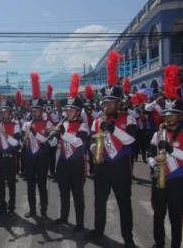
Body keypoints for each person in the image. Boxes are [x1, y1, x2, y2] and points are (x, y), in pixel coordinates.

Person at [87, 51, 137, 248]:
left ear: (119, 103)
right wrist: (93, 148)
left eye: (111, 102)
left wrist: (113, 128)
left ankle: (128, 237)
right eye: (106, 102)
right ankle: (98, 230)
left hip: (121, 168)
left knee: (124, 203)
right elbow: (92, 140)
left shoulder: (129, 118)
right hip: (102, 167)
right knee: (99, 201)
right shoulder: (97, 120)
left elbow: (131, 140)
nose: (108, 105)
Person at [147, 65, 183, 248]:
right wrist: (154, 163)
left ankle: (176, 245)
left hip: (177, 182)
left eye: (172, 115)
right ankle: (158, 243)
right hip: (159, 180)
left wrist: (170, 150)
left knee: (176, 217)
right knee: (158, 215)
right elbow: (149, 154)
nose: (168, 118)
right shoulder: (157, 133)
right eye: (166, 115)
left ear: (180, 116)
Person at [54, 73, 89, 233]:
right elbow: (55, 143)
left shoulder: (83, 125)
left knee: (77, 193)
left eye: (70, 109)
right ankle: (63, 216)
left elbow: (79, 143)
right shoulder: (63, 123)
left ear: (77, 111)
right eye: (66, 109)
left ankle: (80, 222)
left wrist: (63, 133)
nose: (67, 112)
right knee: (63, 191)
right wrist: (53, 137)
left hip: (76, 163)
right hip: (63, 162)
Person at [22, 73, 56, 218]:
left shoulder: (48, 123)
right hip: (29, 158)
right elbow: (22, 142)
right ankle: (32, 210)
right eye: (33, 110)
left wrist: (37, 134)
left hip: (42, 158)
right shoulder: (26, 124)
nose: (34, 112)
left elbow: (53, 142)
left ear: (41, 111)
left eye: (37, 110)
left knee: (42, 186)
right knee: (30, 186)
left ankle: (43, 211)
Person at [0, 96, 21, 215]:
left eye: (6, 111)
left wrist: (4, 134)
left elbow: (16, 143)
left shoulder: (16, 125)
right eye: (1, 112)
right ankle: (2, 206)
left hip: (10, 159)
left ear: (10, 113)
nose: (3, 114)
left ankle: (11, 206)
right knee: (0, 184)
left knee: (11, 184)